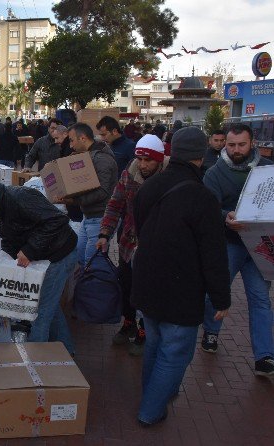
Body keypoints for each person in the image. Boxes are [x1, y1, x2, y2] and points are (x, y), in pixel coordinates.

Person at [132, 126, 231, 426]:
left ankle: (154, 395)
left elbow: (141, 230)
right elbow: (213, 253)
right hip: (181, 288)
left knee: (155, 344)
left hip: (147, 280)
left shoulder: (149, 186)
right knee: (174, 352)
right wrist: (221, 298)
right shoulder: (202, 197)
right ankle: (150, 410)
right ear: (200, 157)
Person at [0, 173, 78, 352]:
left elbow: (57, 220)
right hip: (45, 255)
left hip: (59, 254)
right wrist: (3, 270)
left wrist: (30, 250)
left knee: (39, 313)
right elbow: (9, 239)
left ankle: (31, 366)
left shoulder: (19, 197)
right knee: (49, 306)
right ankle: (68, 349)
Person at [201, 123, 274, 375]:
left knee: (261, 299)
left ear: (252, 143)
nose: (236, 149)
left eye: (241, 144)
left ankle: (264, 356)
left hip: (258, 246)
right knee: (215, 294)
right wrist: (224, 216)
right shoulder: (214, 173)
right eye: (231, 145)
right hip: (228, 244)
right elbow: (208, 208)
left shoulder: (268, 169)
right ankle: (211, 332)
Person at [96, 134, 169, 356]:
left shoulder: (169, 177)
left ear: (159, 160)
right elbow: (115, 204)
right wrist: (104, 233)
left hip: (157, 244)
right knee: (126, 284)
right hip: (129, 241)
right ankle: (128, 322)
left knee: (148, 289)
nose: (144, 165)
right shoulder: (129, 175)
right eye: (141, 160)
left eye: (149, 160)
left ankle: (144, 330)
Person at [55, 123, 118, 267]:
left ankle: (96, 289)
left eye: (71, 140)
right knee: (81, 259)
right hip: (88, 217)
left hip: (100, 219)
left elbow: (103, 192)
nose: (70, 146)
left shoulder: (102, 159)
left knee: (93, 263)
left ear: (82, 138)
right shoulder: (87, 156)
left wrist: (73, 200)